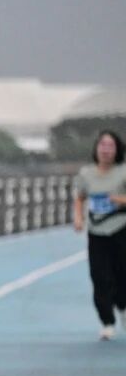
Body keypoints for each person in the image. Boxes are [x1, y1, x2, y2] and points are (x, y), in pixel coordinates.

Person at [72, 129, 126, 341]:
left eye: (110, 146)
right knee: (99, 276)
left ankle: (123, 306)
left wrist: (118, 200)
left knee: (122, 274)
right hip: (96, 231)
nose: (106, 150)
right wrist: (78, 218)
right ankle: (107, 321)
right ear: (96, 148)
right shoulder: (86, 174)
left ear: (117, 149)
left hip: (120, 229)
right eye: (102, 145)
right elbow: (80, 197)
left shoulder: (123, 172)